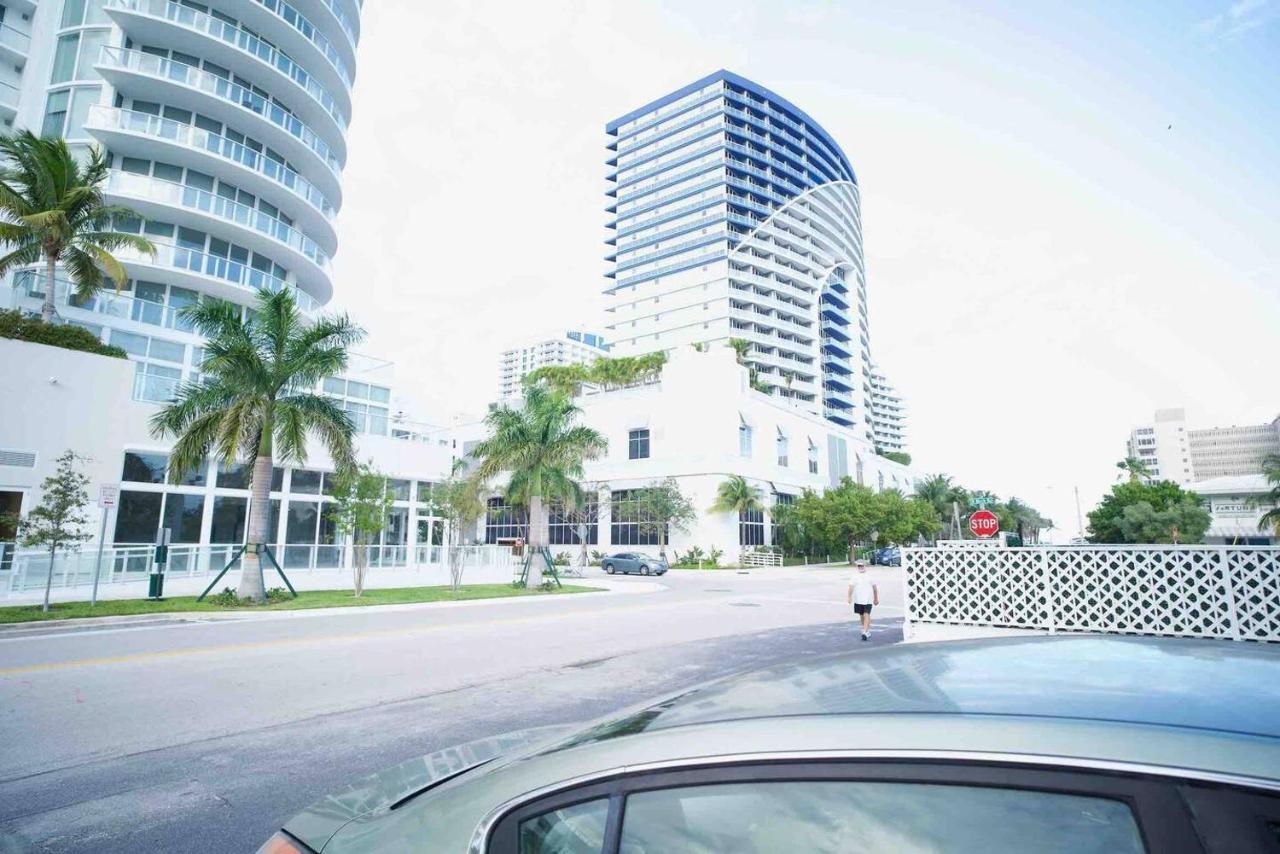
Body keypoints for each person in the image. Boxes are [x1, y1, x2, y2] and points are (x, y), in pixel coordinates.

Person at [847, 559, 879, 641]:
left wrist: (876, 598)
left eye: (862, 566)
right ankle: (867, 630)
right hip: (858, 599)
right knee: (861, 615)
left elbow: (875, 588)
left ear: (865, 566)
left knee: (866, 614)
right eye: (859, 566)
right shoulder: (854, 576)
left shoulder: (869, 576)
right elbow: (851, 587)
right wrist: (849, 597)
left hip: (868, 599)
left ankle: (864, 631)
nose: (860, 567)